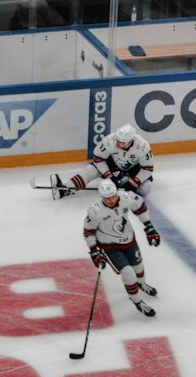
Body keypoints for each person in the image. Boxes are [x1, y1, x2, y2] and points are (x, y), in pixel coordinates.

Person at [83, 180, 161, 317]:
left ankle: (141, 284)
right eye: (107, 198)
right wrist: (94, 251)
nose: (111, 200)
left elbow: (140, 207)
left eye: (113, 196)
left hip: (129, 239)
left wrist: (149, 228)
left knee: (138, 267)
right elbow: (88, 232)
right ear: (101, 196)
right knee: (128, 273)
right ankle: (137, 302)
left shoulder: (126, 197)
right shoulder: (95, 210)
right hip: (109, 245)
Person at [51, 122, 155, 199]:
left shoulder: (143, 146)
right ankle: (66, 188)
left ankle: (128, 195)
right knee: (91, 170)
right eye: (117, 140)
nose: (118, 143)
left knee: (146, 188)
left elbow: (147, 169)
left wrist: (134, 182)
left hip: (134, 168)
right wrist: (109, 176)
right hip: (113, 163)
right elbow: (98, 159)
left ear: (129, 141)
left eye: (122, 142)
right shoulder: (110, 140)